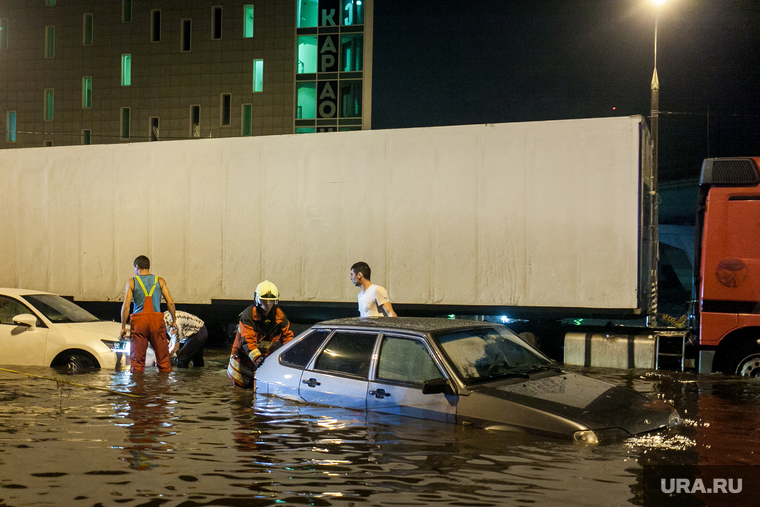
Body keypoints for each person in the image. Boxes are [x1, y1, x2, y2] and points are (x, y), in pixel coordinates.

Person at [228, 280, 295, 389]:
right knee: (240, 395)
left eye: (271, 301)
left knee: (259, 390)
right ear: (257, 300)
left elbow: (288, 338)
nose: (268, 304)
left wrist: (292, 354)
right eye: (264, 300)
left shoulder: (280, 317)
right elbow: (248, 341)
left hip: (263, 360)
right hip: (243, 360)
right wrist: (258, 359)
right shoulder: (248, 316)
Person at [120, 255, 175, 373]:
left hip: (139, 323)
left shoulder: (132, 281)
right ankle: (164, 389)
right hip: (156, 322)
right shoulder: (160, 280)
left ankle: (137, 389)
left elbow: (126, 307)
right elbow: (170, 302)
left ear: (137, 266)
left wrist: (123, 327)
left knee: (137, 362)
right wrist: (173, 319)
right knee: (163, 360)